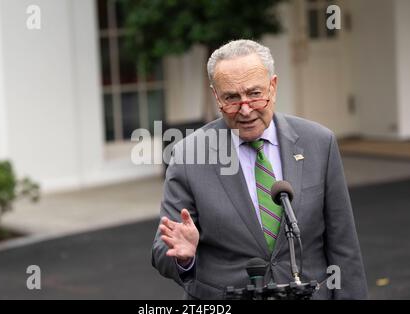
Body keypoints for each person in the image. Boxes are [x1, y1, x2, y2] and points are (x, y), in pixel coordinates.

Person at [152, 39, 368, 299]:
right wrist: (184, 258)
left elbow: (344, 248)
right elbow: (163, 252)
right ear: (216, 96)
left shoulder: (319, 143)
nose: (245, 110)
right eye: (231, 98)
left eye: (255, 94)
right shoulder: (189, 155)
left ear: (273, 87)